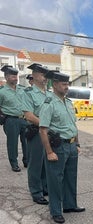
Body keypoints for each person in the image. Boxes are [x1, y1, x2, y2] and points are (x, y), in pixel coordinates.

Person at [39, 71, 84, 224]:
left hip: (71, 145)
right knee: (55, 180)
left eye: (68, 84)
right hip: (57, 147)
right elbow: (43, 130)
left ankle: (70, 205)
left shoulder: (68, 102)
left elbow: (73, 124)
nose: (67, 87)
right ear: (55, 84)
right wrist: (49, 152)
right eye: (64, 84)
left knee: (71, 177)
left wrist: (77, 143)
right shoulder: (49, 103)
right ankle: (56, 211)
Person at [22, 63, 51, 205]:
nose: (45, 77)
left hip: (49, 133)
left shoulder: (49, 93)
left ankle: (45, 187)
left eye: (46, 75)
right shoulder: (28, 93)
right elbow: (29, 116)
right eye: (42, 74)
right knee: (36, 163)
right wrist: (46, 126)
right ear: (33, 75)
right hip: (37, 132)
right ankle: (36, 191)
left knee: (47, 161)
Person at [0, 65, 28, 172]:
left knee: (26, 141)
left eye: (16, 76)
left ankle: (26, 161)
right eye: (12, 76)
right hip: (11, 120)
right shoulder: (2, 92)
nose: (15, 78)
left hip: (24, 119)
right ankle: (14, 163)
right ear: (6, 77)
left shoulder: (22, 89)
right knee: (12, 143)